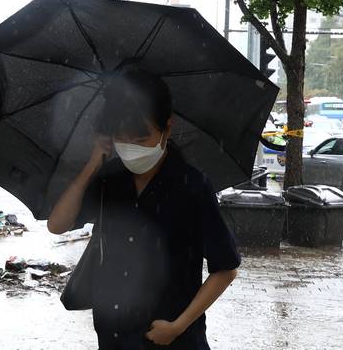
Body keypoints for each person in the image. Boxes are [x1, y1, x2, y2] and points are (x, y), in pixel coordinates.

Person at [47, 70, 240, 349]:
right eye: (122, 140)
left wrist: (177, 327)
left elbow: (226, 269)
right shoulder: (109, 180)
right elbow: (57, 224)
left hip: (172, 340)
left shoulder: (192, 187)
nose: (131, 149)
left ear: (167, 129)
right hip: (114, 337)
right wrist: (92, 164)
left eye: (141, 140)